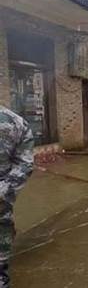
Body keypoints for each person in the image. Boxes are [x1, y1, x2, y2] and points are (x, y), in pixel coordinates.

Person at [0, 105, 34, 287]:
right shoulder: (18, 123)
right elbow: (25, 164)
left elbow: (25, 164)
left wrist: (2, 193)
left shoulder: (16, 124)